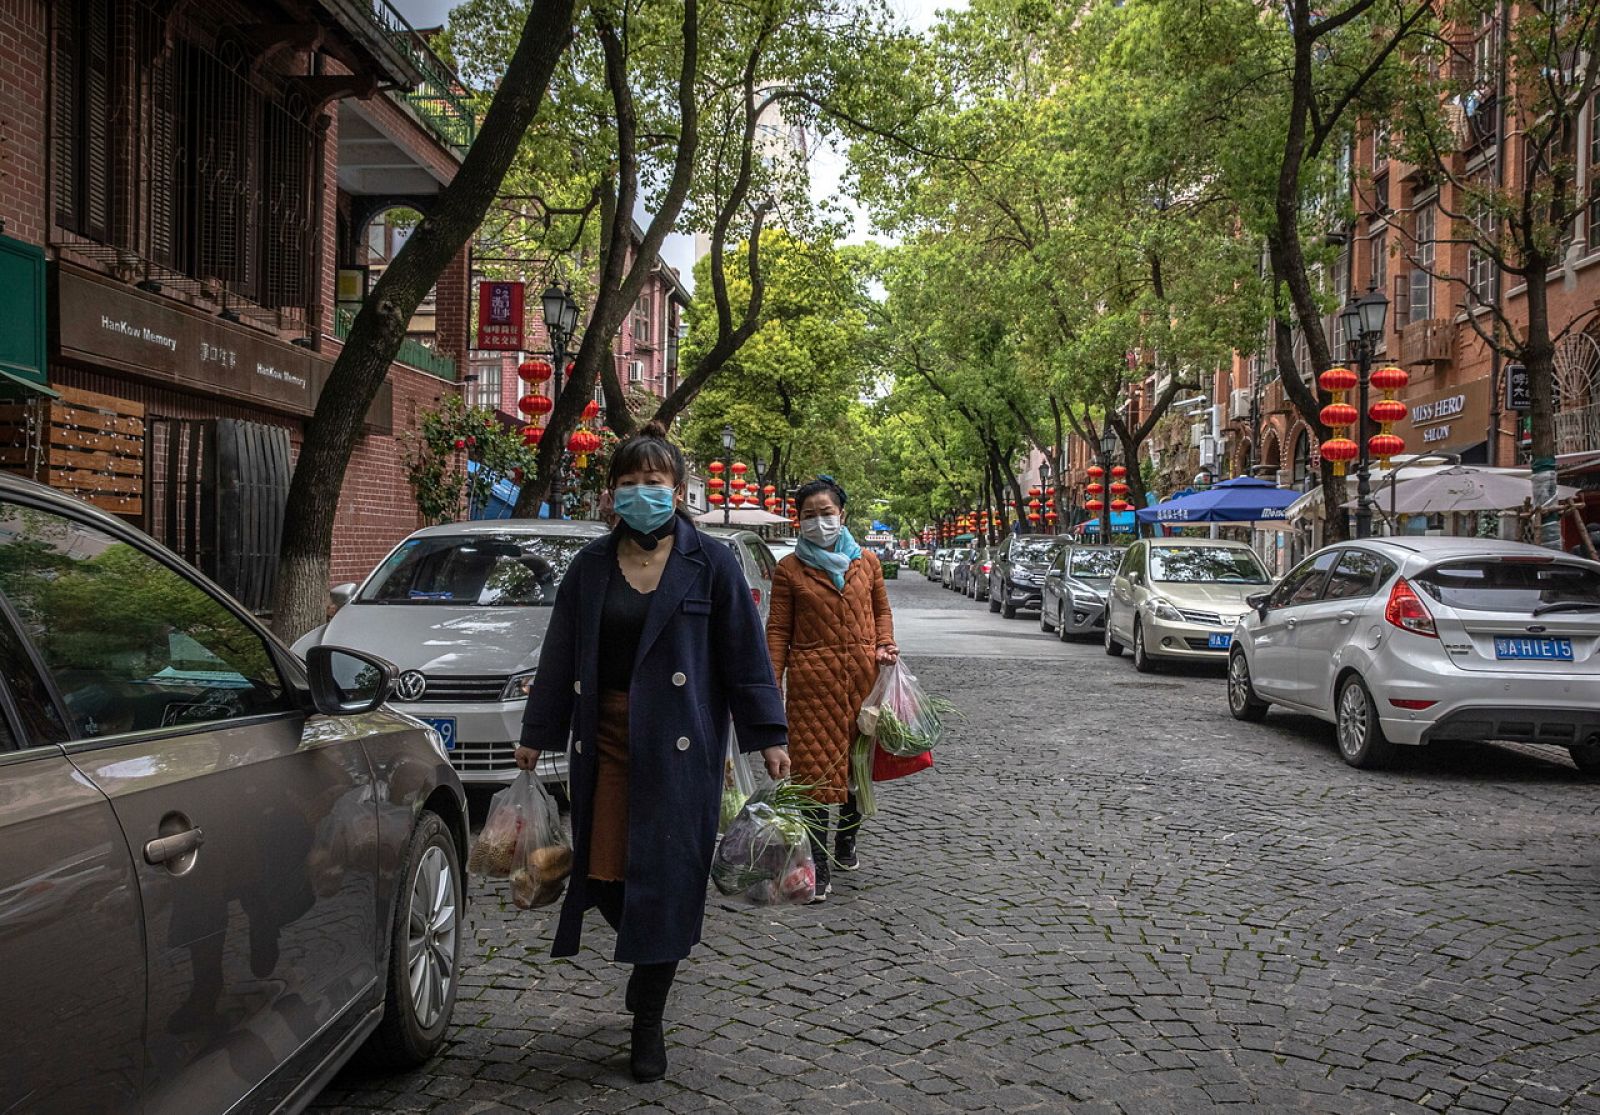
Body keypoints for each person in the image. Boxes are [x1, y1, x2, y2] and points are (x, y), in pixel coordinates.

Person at [514, 421, 791, 1083]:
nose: (642, 493)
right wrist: (537, 731)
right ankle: (647, 960)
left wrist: (769, 734)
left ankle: (649, 1012)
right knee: (605, 874)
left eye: (654, 481)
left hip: (681, 746)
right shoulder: (590, 567)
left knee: (669, 879)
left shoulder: (712, 562)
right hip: (605, 741)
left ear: (679, 488)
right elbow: (559, 654)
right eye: (630, 482)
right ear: (612, 492)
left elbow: (745, 655)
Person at [765, 476, 898, 903]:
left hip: (863, 681)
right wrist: (771, 685)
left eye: (826, 513)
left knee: (857, 770)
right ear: (798, 521)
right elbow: (778, 630)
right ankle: (817, 866)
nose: (819, 521)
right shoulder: (789, 570)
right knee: (814, 774)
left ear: (842, 514)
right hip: (811, 686)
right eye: (809, 515)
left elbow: (881, 611)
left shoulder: (868, 563)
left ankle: (847, 838)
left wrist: (884, 643)